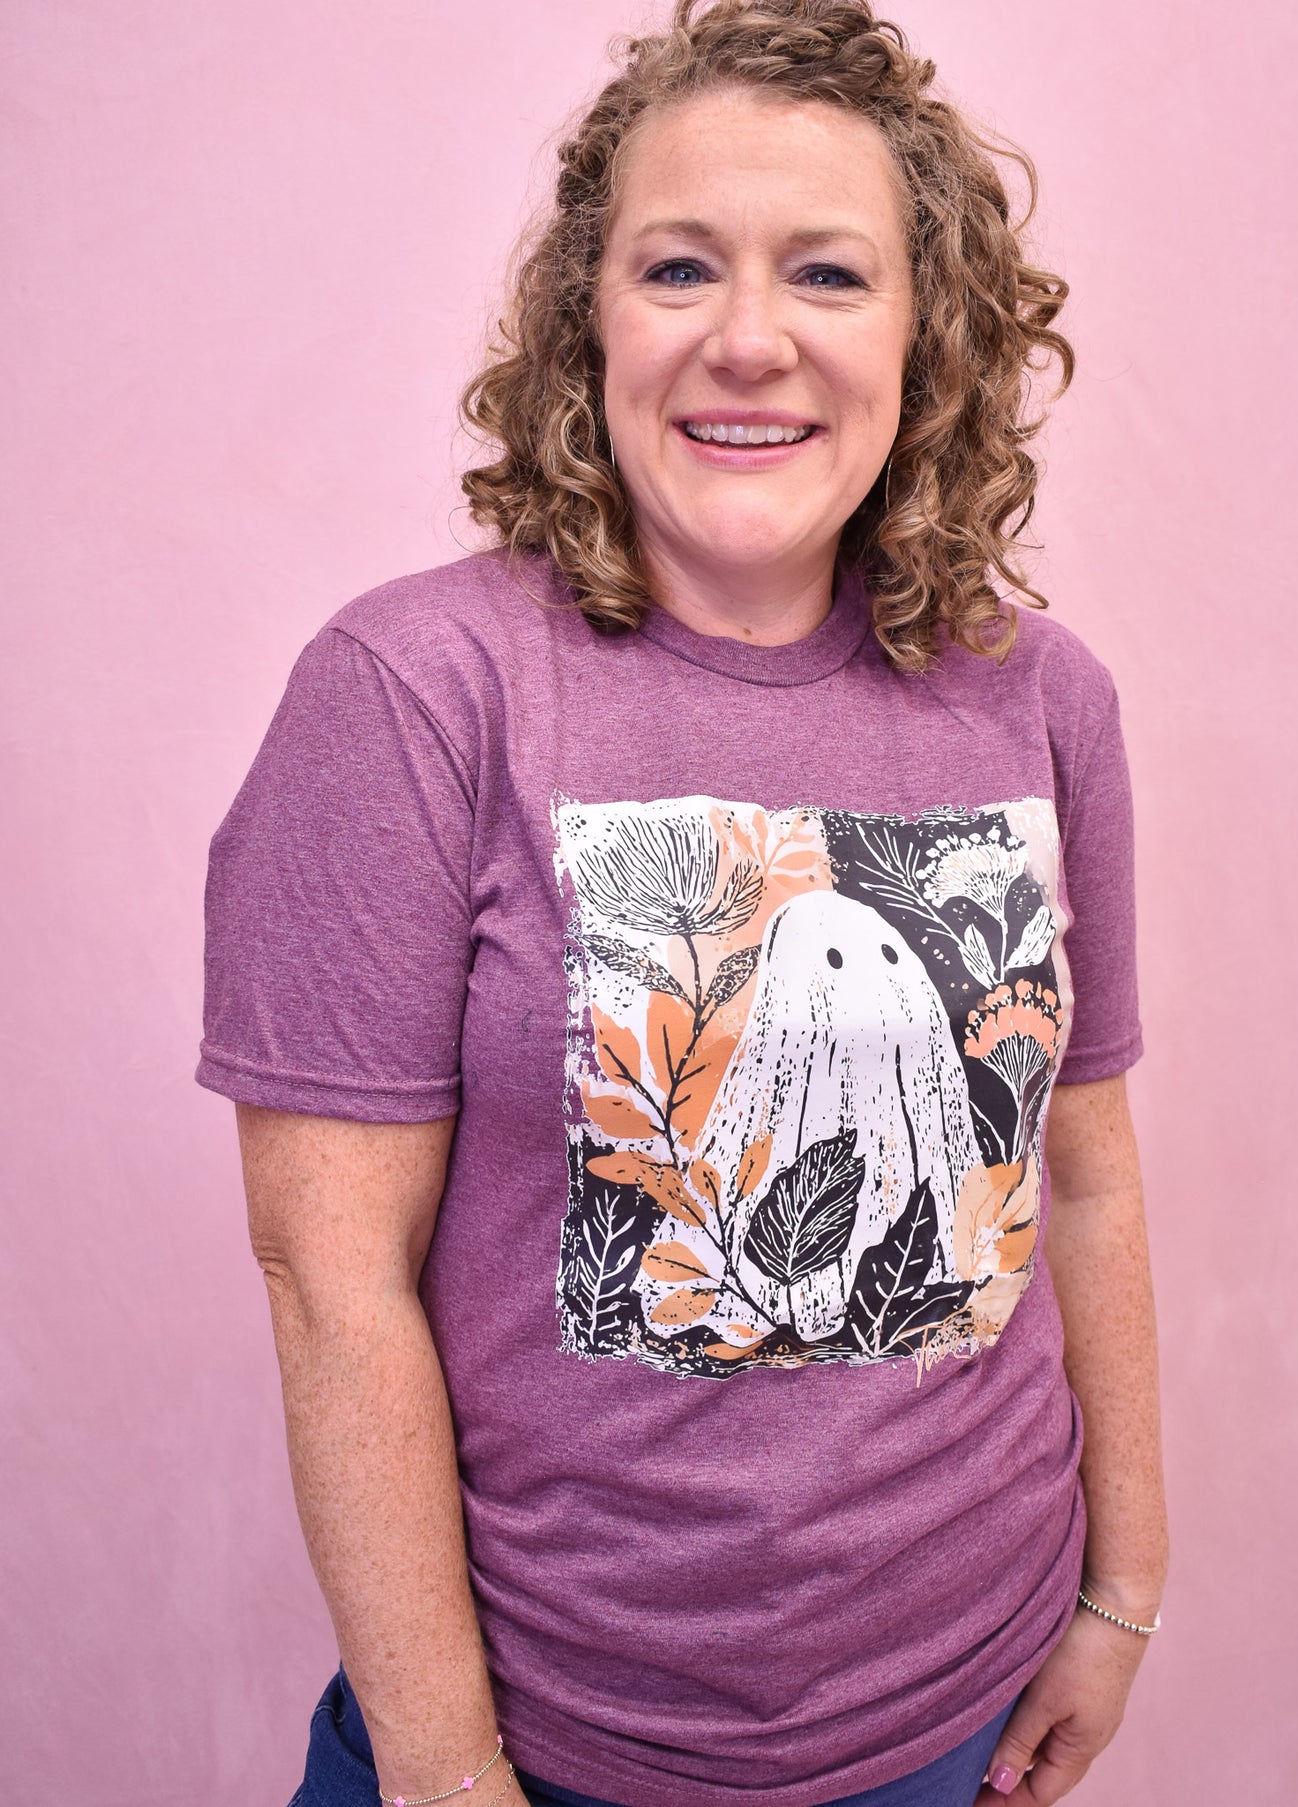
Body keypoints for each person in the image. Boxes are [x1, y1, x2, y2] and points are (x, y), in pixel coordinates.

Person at [198, 2, 1168, 1803]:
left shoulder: (1041, 697)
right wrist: (443, 1775)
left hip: (966, 1692)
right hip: (550, 1742)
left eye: (825, 273)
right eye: (675, 268)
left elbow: (1087, 1169)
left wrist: (1120, 1595)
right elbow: (330, 1281)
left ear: (925, 336)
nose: (748, 340)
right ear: (587, 324)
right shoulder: (420, 692)